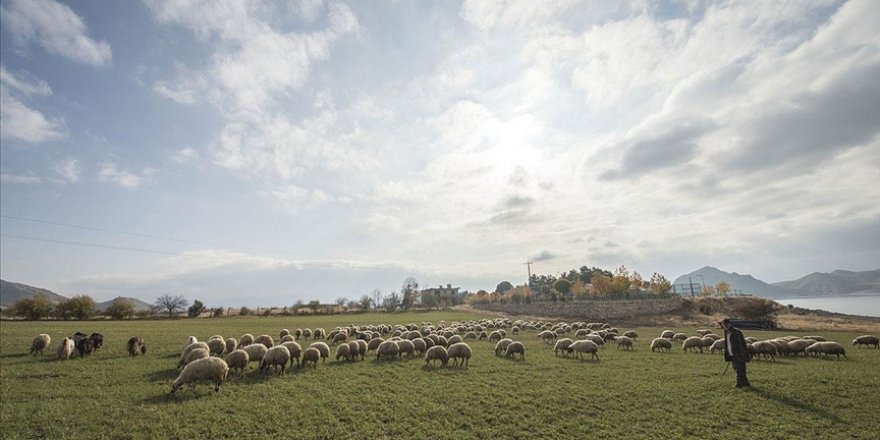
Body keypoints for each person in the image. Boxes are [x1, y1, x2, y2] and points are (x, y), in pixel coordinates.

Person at [720, 318, 751, 388]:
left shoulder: (737, 332)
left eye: (727, 324)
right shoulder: (726, 332)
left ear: (730, 324)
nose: (726, 325)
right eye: (724, 324)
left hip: (738, 353)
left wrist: (743, 354)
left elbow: (741, 344)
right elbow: (727, 342)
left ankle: (739, 384)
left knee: (738, 368)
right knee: (740, 368)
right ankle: (745, 382)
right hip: (731, 352)